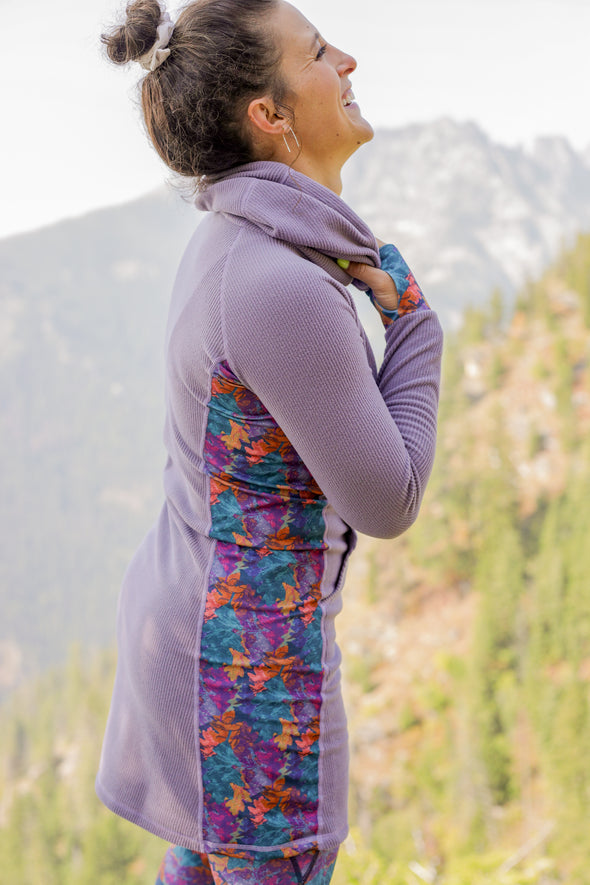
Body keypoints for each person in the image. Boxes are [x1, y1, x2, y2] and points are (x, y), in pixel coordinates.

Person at [97, 0, 443, 883]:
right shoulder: (280, 283)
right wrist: (415, 324)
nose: (349, 61)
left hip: (199, 638)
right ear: (270, 115)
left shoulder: (232, 245)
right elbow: (389, 498)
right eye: (320, 52)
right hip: (248, 686)